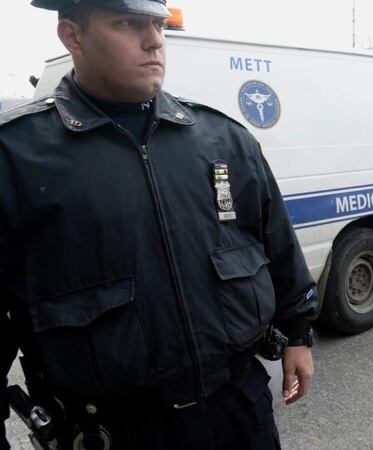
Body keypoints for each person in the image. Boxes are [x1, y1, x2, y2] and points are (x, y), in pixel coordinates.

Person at [1, 1, 319, 449]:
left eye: (158, 25)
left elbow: (276, 243)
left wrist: (298, 334)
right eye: (129, 23)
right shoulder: (15, 157)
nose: (154, 41)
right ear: (73, 36)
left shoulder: (223, 138)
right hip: (114, 429)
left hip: (237, 408)